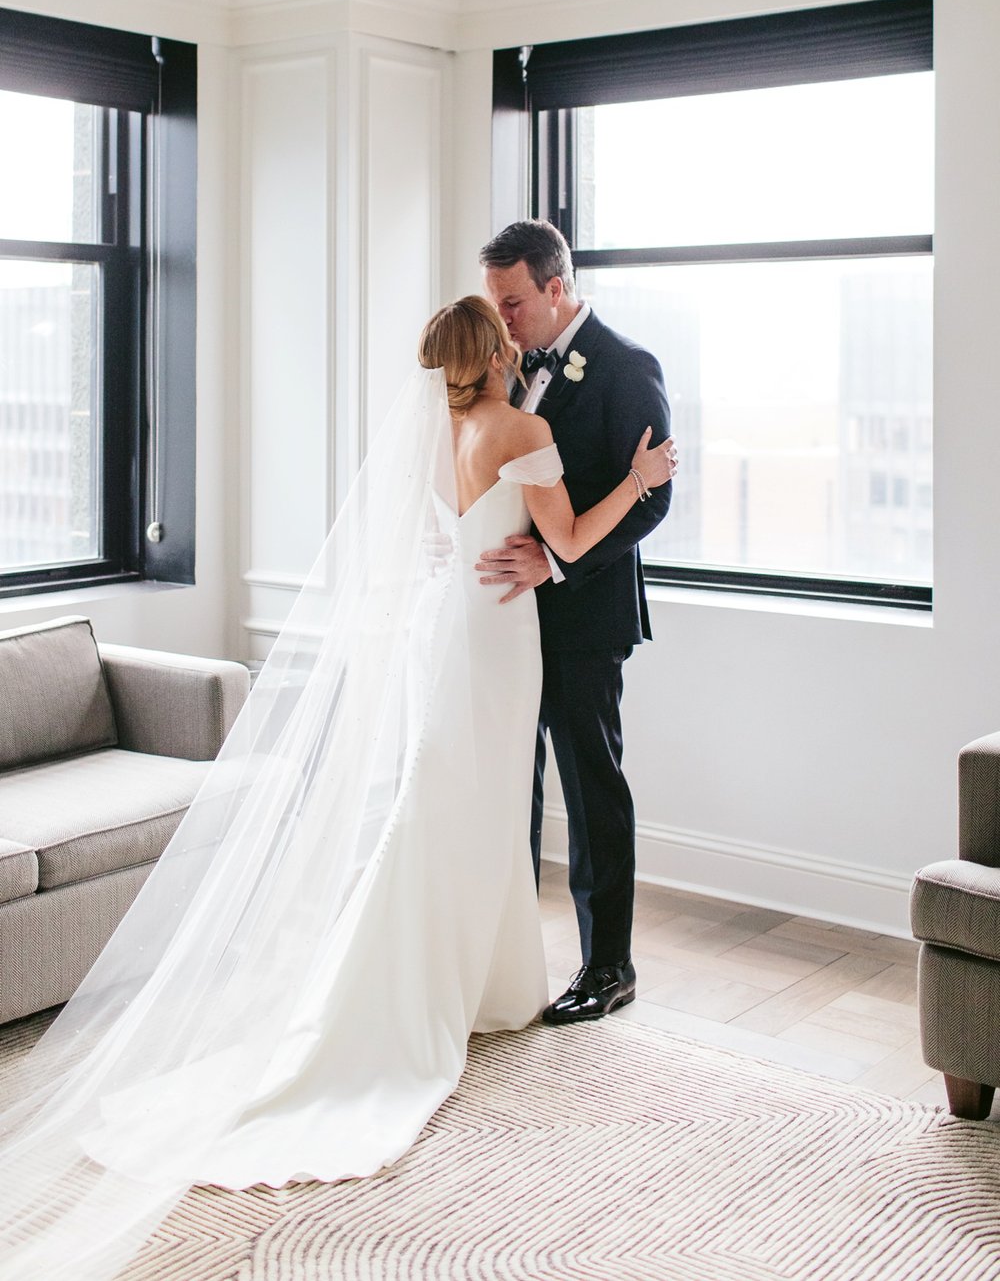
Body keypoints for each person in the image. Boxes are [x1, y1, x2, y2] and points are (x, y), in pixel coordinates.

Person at [0, 297, 673, 1281]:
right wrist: (640, 480)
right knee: (473, 811)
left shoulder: (437, 434)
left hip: (447, 631)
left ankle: (479, 979)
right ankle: (423, 994)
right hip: (496, 636)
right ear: (492, 353)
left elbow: (441, 545)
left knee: (448, 806)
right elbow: (565, 539)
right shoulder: (519, 426)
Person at [479, 220, 674, 1026]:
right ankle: (509, 950)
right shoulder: (506, 367)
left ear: (556, 288)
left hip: (587, 614)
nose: (504, 318)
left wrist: (556, 563)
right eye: (495, 303)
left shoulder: (629, 367)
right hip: (502, 623)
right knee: (508, 785)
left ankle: (609, 965)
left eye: (514, 301)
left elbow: (654, 497)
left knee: (592, 788)